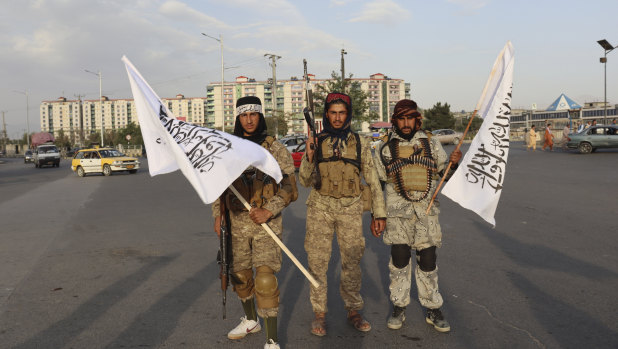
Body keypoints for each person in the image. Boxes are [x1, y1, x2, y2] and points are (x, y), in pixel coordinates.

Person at [212, 96, 297, 349]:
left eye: (254, 115)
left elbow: (290, 188)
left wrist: (269, 211)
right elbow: (218, 184)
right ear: (238, 118)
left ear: (260, 116)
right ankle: (251, 320)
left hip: (265, 225)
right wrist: (217, 214)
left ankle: (272, 339)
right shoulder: (229, 147)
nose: (249, 120)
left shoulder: (275, 148)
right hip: (236, 223)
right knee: (240, 276)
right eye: (244, 115)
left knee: (265, 279)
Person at [298, 92, 386, 337]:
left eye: (342, 113)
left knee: (351, 261)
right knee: (317, 263)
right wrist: (309, 155)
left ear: (348, 115)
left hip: (350, 208)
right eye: (333, 113)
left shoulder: (360, 143)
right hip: (320, 208)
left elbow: (373, 180)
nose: (337, 118)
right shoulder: (318, 140)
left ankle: (353, 310)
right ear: (326, 114)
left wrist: (379, 214)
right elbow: (304, 181)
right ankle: (320, 314)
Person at [371, 99, 461, 333]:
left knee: (428, 261)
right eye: (401, 118)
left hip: (426, 212)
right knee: (399, 260)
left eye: (410, 118)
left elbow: (445, 174)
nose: (406, 123)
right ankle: (399, 306)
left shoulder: (431, 143)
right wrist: (378, 215)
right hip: (397, 214)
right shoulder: (385, 147)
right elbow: (377, 185)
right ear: (395, 120)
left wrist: (453, 164)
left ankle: (433, 307)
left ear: (417, 119)